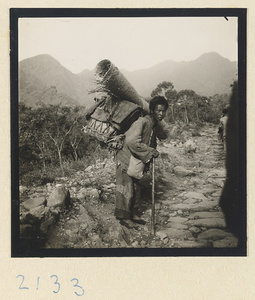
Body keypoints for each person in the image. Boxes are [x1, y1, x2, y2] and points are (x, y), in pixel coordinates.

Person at [114, 96, 169, 227]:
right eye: (158, 110)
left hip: (136, 160)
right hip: (126, 157)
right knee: (126, 186)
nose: (161, 114)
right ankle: (124, 218)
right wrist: (150, 151)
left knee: (136, 185)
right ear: (151, 110)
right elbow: (131, 141)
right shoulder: (142, 122)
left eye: (163, 111)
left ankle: (133, 213)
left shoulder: (153, 125)